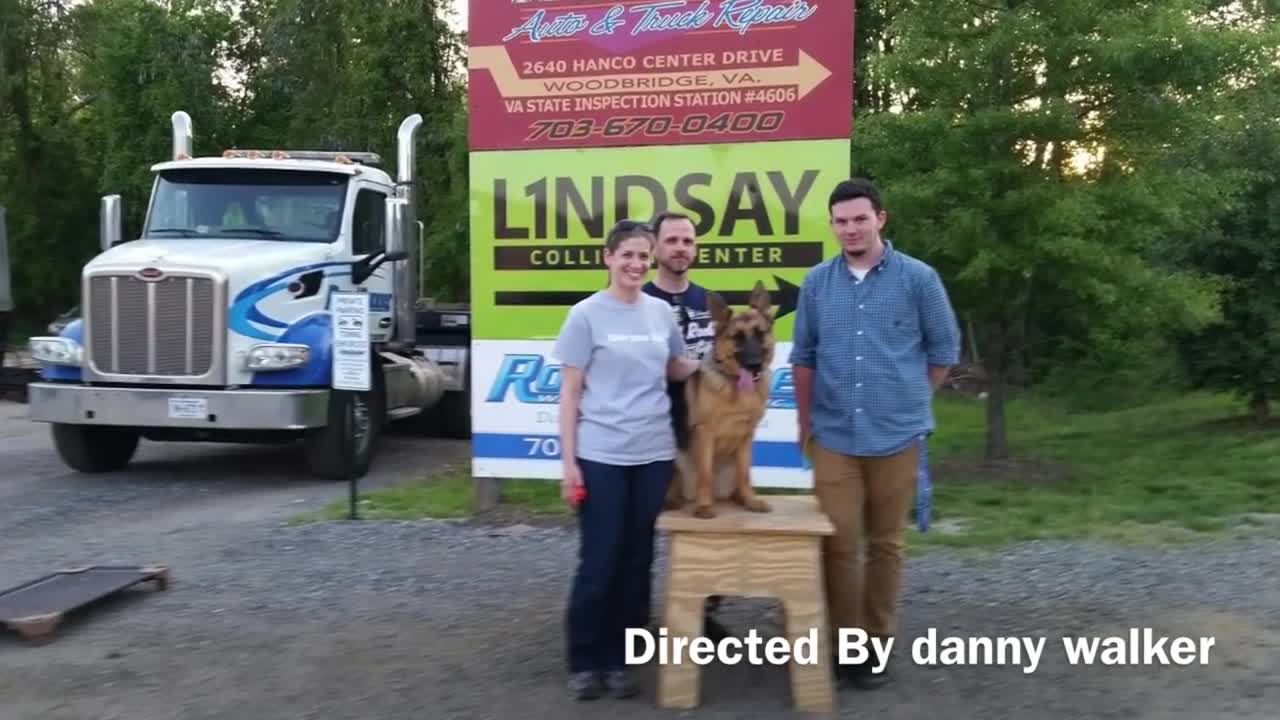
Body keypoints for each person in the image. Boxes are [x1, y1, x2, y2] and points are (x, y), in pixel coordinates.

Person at [789, 178, 961, 689]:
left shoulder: (919, 279)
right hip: (834, 437)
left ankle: (877, 644)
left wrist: (911, 400)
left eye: (860, 218)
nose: (851, 229)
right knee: (837, 545)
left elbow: (943, 351)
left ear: (880, 219)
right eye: (841, 221)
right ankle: (847, 646)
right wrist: (805, 424)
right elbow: (803, 356)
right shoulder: (818, 282)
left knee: (885, 544)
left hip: (897, 436)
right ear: (833, 225)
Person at [555, 219, 701, 701]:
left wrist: (720, 359)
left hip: (654, 455)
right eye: (627, 255)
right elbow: (570, 393)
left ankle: (621, 661)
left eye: (643, 256)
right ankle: (584, 659)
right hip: (601, 455)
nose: (636, 264)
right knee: (600, 561)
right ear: (608, 258)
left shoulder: (661, 314)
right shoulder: (585, 315)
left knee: (638, 563)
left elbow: (677, 366)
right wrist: (569, 464)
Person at [640, 210, 731, 642]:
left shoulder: (710, 304)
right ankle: (634, 616)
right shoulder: (635, 301)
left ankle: (703, 612)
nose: (680, 248)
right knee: (641, 528)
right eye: (672, 240)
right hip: (649, 432)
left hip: (702, 436)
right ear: (655, 247)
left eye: (688, 241)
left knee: (707, 528)